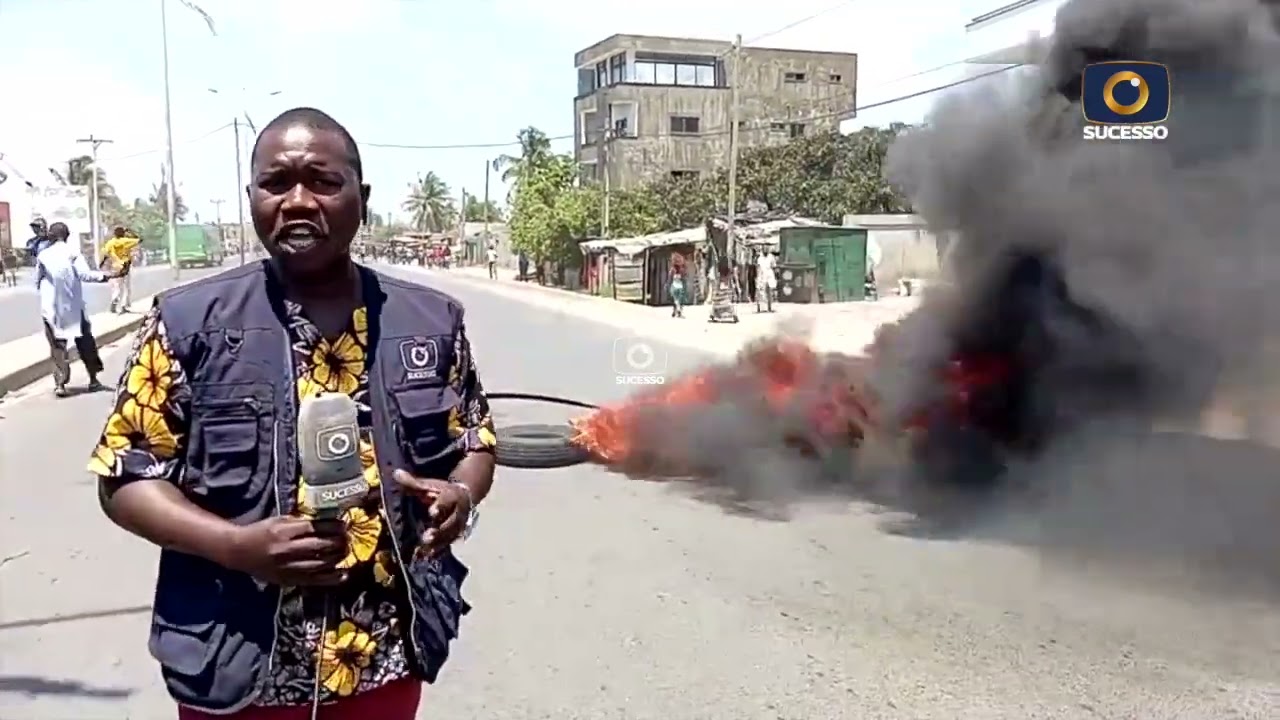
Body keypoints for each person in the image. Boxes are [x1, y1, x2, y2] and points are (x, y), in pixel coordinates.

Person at [89, 107, 497, 720]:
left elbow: (476, 439)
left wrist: (461, 495)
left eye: (323, 182)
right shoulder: (186, 325)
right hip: (236, 664)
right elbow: (124, 476)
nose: (298, 201)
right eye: (276, 183)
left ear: (362, 196)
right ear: (251, 196)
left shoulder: (432, 322)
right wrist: (235, 545)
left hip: (382, 668)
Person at [37, 221, 120, 397]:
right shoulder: (73, 254)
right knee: (85, 343)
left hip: (51, 309)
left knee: (58, 347)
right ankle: (93, 380)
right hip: (74, 307)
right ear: (67, 236)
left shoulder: (43, 255)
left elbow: (37, 280)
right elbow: (84, 274)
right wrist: (106, 276)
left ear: (51, 236)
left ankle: (60, 384)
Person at [100, 226, 141, 313]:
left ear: (114, 234)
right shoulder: (125, 241)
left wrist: (102, 265)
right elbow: (139, 239)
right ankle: (123, 306)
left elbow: (105, 253)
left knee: (117, 287)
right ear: (123, 233)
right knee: (126, 287)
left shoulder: (110, 243)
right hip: (125, 267)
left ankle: (114, 301)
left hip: (115, 267)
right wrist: (130, 231)